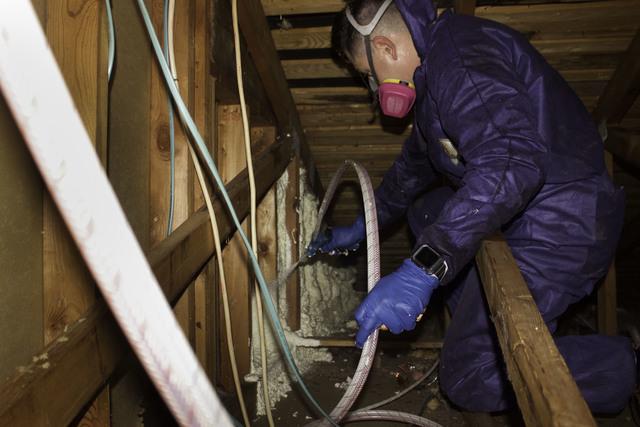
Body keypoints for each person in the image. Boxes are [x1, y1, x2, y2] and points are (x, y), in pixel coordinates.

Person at [307, 0, 638, 414]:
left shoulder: (459, 54)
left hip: (565, 218)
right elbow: (410, 172)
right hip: (529, 207)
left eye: (366, 75)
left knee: (466, 375)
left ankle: (626, 367)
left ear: (385, 48)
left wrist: (424, 268)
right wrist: (360, 225)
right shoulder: (435, 81)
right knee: (426, 208)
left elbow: (512, 160)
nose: (374, 89)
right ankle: (475, 313)